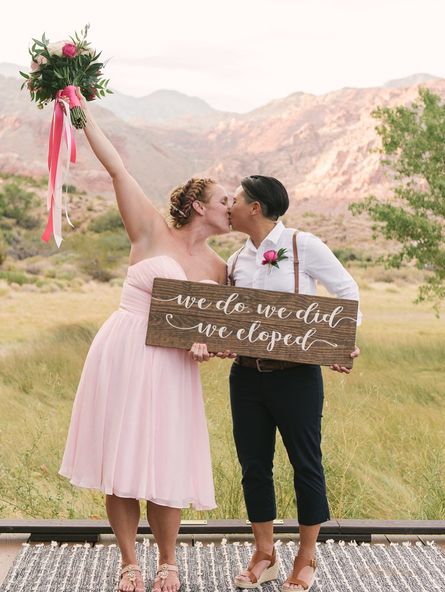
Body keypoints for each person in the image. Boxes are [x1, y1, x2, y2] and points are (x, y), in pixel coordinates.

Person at [59, 88, 230, 592]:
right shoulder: (150, 231)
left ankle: (169, 562)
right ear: (200, 205)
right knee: (123, 460)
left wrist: (205, 341)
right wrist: (78, 110)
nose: (232, 206)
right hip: (126, 350)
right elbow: (116, 167)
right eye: (224, 200)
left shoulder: (222, 269)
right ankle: (129, 562)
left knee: (167, 458)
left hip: (175, 367)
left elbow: (225, 330)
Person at [227, 175, 361, 592]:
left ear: (255, 208)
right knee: (253, 466)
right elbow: (227, 320)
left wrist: (341, 343)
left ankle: (306, 558)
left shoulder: (305, 246)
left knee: (306, 463)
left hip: (298, 377)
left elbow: (346, 290)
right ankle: (264, 555)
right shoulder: (234, 261)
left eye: (234, 200)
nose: (228, 206)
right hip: (246, 376)